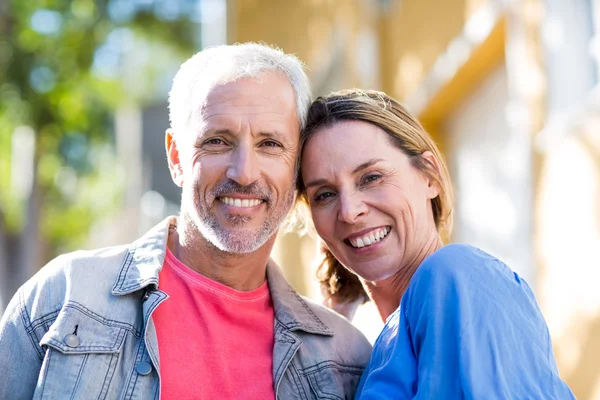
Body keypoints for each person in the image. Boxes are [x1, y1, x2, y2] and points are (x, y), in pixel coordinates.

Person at [0, 44, 372, 400]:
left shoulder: (345, 360)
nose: (243, 172)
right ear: (176, 156)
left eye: (270, 144)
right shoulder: (64, 297)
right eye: (217, 141)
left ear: (296, 168)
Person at [298, 89, 576, 399]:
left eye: (371, 177)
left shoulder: (457, 275)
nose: (349, 211)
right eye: (324, 194)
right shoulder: (381, 345)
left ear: (429, 175)